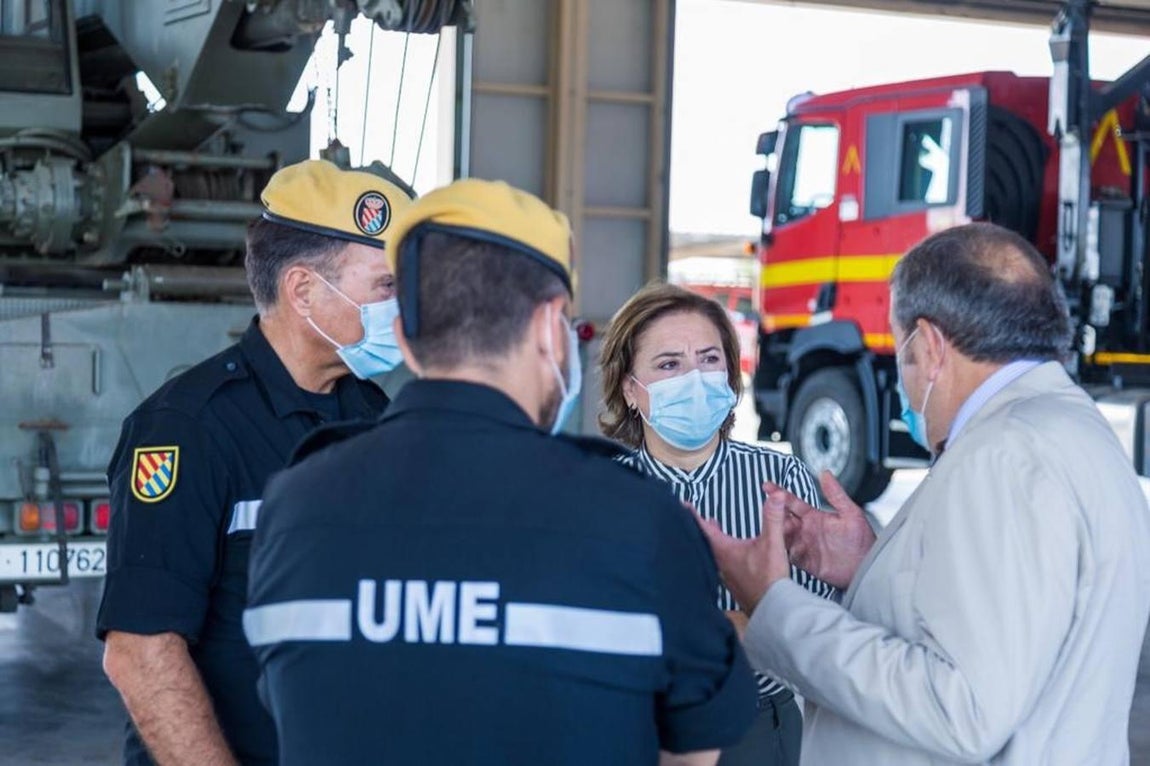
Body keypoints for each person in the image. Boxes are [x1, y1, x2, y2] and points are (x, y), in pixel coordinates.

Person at [243, 179, 757, 766]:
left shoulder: (294, 506)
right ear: (548, 327)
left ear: (406, 337)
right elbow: (691, 751)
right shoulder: (639, 520)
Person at [700, 222, 1150, 765]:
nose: (907, 382)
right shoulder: (1070, 430)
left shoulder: (1004, 456)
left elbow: (961, 709)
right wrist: (875, 565)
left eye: (902, 355)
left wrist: (775, 609)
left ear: (931, 346)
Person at [97, 159, 413, 766]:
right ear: (303, 291)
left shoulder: (372, 413)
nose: (402, 309)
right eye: (385, 288)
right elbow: (140, 651)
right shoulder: (187, 429)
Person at [598, 282, 837, 766]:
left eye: (709, 359)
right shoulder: (597, 493)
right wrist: (749, 625)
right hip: (633, 727)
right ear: (629, 389)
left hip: (756, 728)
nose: (695, 377)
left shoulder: (781, 481)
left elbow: (819, 627)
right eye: (669, 365)